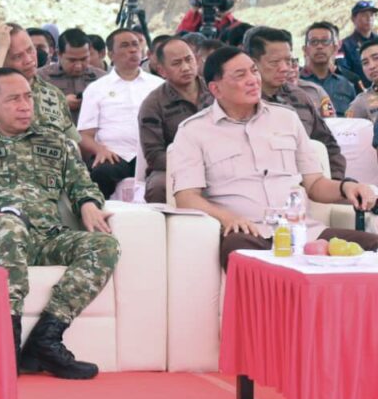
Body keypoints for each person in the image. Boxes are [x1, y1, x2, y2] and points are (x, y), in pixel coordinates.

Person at [0, 67, 118, 379]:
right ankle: (5, 345)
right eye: (13, 99)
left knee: (104, 245)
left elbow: (83, 186)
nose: (24, 106)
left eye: (28, 97)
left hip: (47, 237)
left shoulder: (57, 142)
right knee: (9, 227)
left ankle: (45, 341)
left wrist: (88, 204)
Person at [171, 47, 377, 269]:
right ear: (216, 89)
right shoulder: (193, 131)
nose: (253, 80)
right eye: (240, 75)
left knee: (373, 246)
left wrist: (347, 187)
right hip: (248, 233)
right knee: (241, 255)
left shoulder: (286, 118)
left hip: (303, 233)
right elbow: (187, 197)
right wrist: (228, 218)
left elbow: (315, 184)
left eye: (254, 71)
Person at [246, 27, 346, 179]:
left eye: (288, 61)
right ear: (253, 63)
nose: (284, 68)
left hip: (311, 185)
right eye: (274, 62)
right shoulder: (240, 103)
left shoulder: (299, 97)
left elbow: (329, 146)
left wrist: (334, 183)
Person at [77, 28, 163, 199]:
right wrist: (100, 150)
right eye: (125, 46)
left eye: (135, 44)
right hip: (114, 155)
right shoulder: (96, 88)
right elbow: (84, 135)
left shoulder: (158, 85)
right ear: (111, 54)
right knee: (100, 174)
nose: (132, 50)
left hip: (150, 154)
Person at [0, 23, 80, 144]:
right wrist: (1, 49)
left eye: (30, 50)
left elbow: (74, 142)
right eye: (17, 56)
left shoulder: (54, 94)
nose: (29, 60)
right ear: (2, 59)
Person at [138, 37, 214, 203]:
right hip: (175, 166)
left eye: (188, 59)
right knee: (158, 185)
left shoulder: (217, 90)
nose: (185, 67)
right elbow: (154, 155)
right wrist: (193, 164)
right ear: (162, 71)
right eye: (176, 63)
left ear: (197, 60)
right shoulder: (153, 104)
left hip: (220, 159)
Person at [37, 28, 106, 123]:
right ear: (59, 54)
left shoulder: (102, 78)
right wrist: (61, 104)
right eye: (72, 60)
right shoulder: (40, 77)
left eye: (84, 59)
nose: (78, 66)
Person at [300, 21, 359, 115]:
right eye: (314, 42)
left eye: (325, 41)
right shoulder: (295, 83)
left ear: (335, 48)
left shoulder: (347, 85)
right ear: (305, 50)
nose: (319, 46)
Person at [339, 1, 378, 85]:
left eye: (371, 15)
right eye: (364, 15)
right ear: (353, 19)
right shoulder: (344, 45)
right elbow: (342, 71)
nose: (369, 18)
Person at [346, 39, 378, 122]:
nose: (371, 66)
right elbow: (348, 127)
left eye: (376, 58)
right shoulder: (361, 102)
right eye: (365, 63)